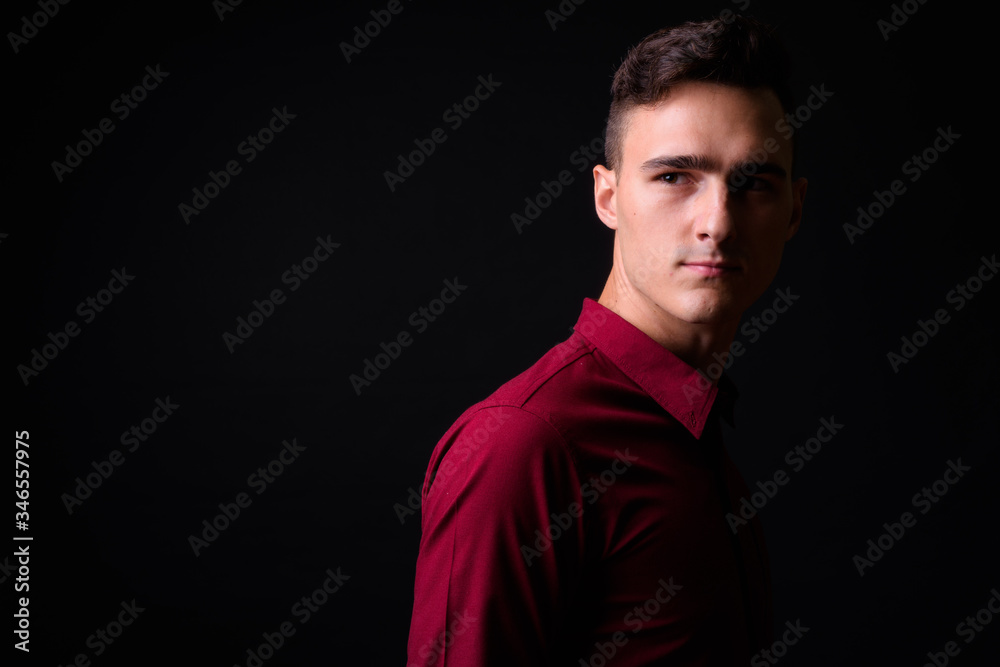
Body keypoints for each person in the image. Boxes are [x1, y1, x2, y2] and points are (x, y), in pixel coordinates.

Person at [407, 13, 807, 666]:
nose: (718, 222)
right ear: (608, 196)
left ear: (794, 209)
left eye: (754, 182)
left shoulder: (697, 426)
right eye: (674, 177)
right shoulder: (521, 444)